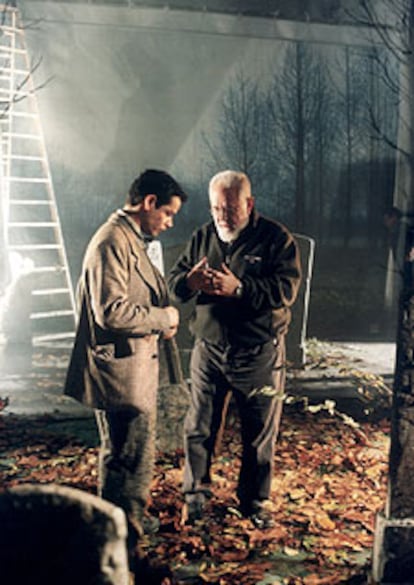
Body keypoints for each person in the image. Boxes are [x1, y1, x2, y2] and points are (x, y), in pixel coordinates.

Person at [63, 169, 187, 575]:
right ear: (148, 202)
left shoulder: (130, 240)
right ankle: (122, 538)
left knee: (131, 453)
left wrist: (162, 315)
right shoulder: (112, 241)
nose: (169, 222)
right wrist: (163, 316)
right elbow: (111, 310)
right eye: (167, 213)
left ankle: (125, 527)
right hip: (120, 371)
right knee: (127, 456)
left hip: (132, 366)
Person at [168, 170, 301, 530]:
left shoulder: (276, 239)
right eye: (215, 208)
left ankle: (255, 502)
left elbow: (284, 291)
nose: (222, 216)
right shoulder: (203, 236)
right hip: (208, 349)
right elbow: (174, 284)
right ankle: (195, 497)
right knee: (199, 427)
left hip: (257, 351)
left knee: (258, 431)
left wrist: (239, 288)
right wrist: (189, 282)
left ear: (249, 204)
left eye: (229, 208)